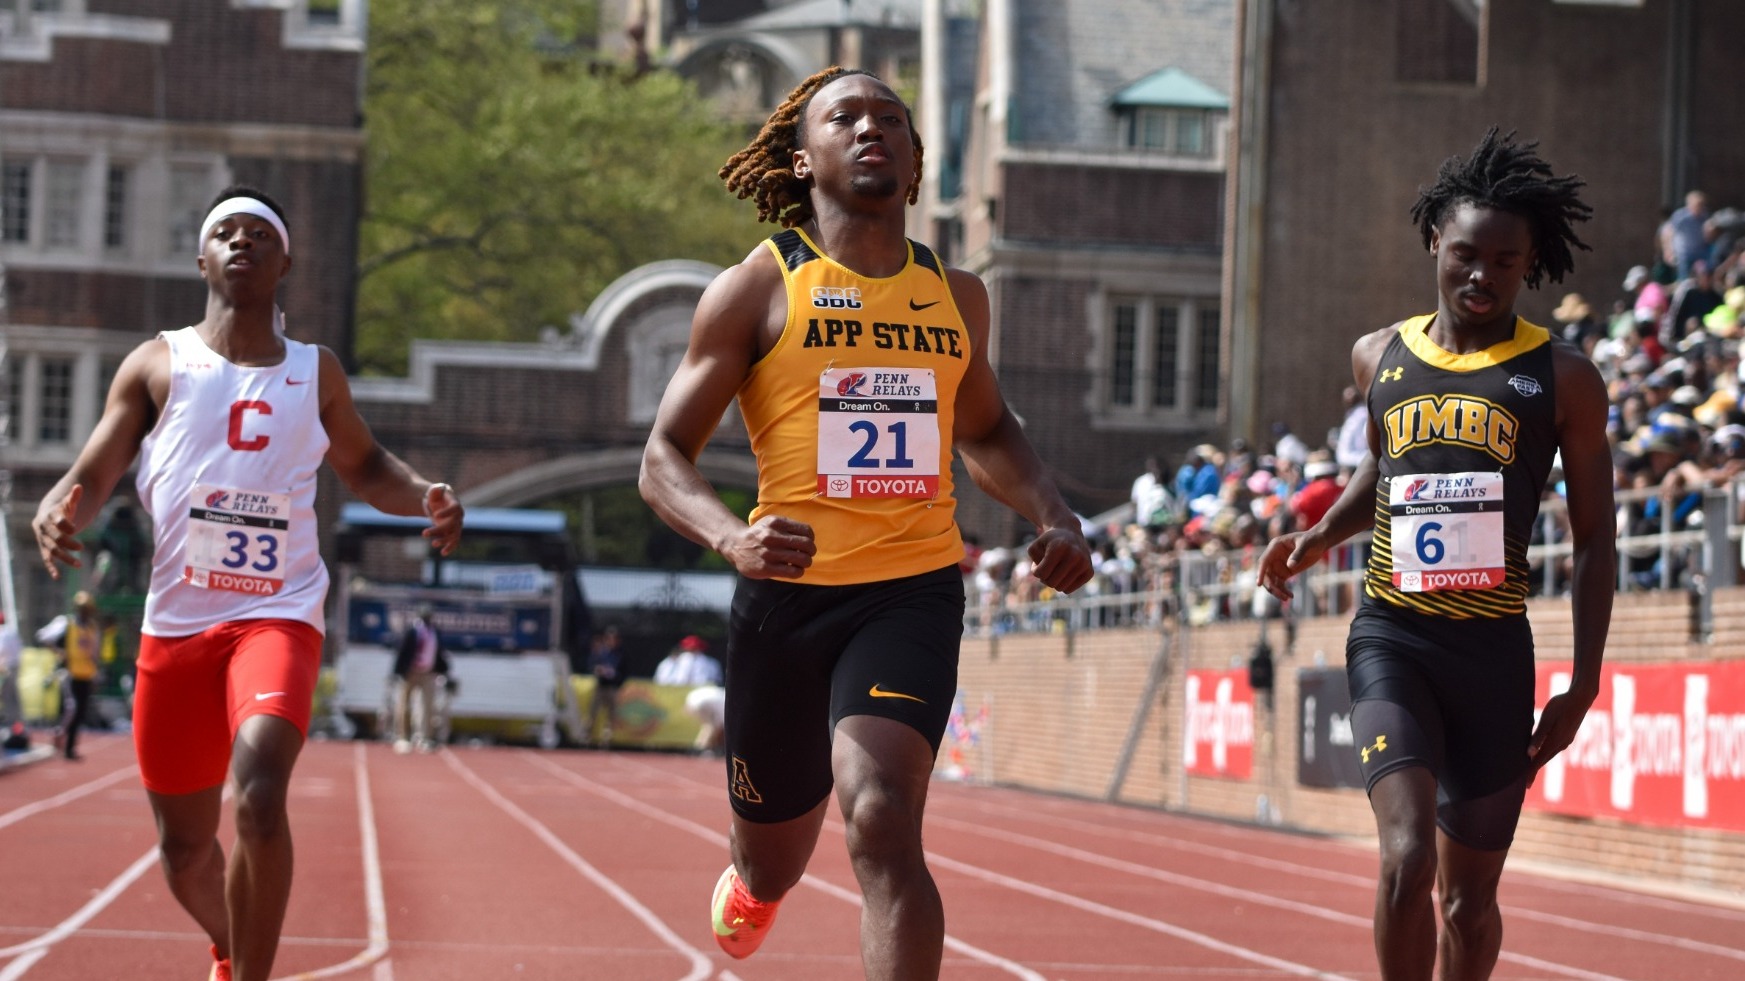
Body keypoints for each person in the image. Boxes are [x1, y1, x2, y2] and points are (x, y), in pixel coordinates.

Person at [638, 67, 1093, 979]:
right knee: (770, 859)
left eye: (890, 118)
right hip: (785, 598)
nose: (870, 128)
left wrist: (1054, 511)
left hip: (907, 592)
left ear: (918, 161)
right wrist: (732, 537)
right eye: (843, 118)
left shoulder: (955, 295)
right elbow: (661, 460)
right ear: (804, 160)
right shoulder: (756, 288)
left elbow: (988, 429)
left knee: (882, 811)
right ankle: (756, 880)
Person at [30, 185, 464, 981]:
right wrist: (62, 507)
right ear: (201, 258)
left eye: (257, 234)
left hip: (278, 614)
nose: (240, 244)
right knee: (185, 851)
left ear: (285, 260)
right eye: (224, 234)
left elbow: (367, 466)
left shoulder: (314, 371)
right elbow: (94, 469)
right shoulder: (156, 362)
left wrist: (424, 495)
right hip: (177, 626)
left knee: (261, 792)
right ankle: (233, 950)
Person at [1257, 129, 1614, 981]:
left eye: (1504, 260)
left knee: (1467, 902)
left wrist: (1584, 682)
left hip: (1491, 653)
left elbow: (1596, 538)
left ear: (1530, 263)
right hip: (1394, 638)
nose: (1480, 275)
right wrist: (1317, 535)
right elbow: (1383, 468)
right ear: (1432, 243)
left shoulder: (1562, 376)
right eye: (1464, 254)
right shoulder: (1377, 356)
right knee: (1405, 856)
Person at [389, 604, 449, 753]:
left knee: (428, 706)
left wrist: (444, 670)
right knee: (404, 704)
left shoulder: (435, 632)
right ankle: (402, 737)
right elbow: (402, 652)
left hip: (428, 672)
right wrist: (397, 672)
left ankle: (425, 738)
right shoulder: (412, 631)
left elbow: (439, 653)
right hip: (410, 672)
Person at [55, 590, 102, 760]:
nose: (85, 611)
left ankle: (70, 748)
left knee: (80, 712)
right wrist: (59, 652)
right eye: (82, 608)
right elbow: (43, 636)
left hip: (86, 675)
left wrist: (96, 674)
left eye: (87, 608)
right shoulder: (67, 624)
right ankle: (59, 732)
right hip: (70, 674)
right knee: (71, 708)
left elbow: (94, 653)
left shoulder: (92, 628)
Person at [584, 624, 624, 747]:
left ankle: (607, 740)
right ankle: (586, 738)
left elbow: (624, 671)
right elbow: (590, 665)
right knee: (592, 713)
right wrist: (598, 670)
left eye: (614, 638)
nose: (612, 640)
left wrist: (615, 676)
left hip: (612, 688)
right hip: (600, 687)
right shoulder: (601, 652)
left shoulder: (620, 654)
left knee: (611, 716)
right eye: (609, 638)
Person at [652, 634, 724, 687]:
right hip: (678, 689)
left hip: (701, 689)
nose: (691, 650)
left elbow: (717, 680)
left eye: (694, 648)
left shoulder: (711, 662)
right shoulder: (674, 660)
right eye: (689, 648)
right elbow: (663, 678)